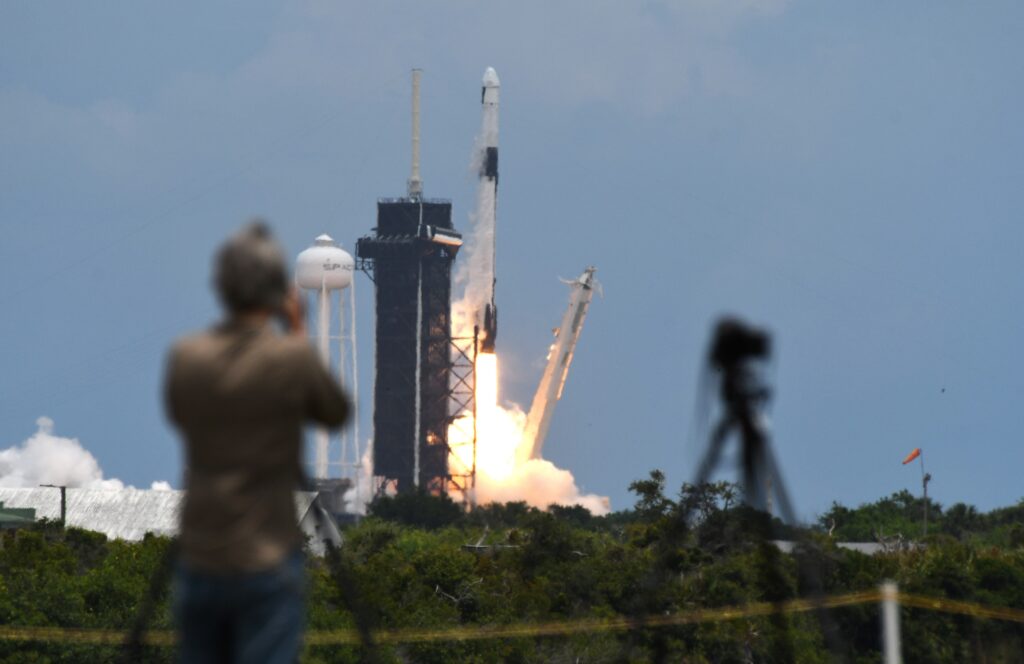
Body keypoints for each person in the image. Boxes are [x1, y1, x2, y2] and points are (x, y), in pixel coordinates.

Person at [164, 222, 348, 663]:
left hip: (202, 559)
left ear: (221, 288)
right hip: (266, 562)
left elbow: (182, 414)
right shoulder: (291, 357)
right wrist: (297, 331)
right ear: (275, 293)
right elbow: (332, 411)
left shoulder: (187, 356)